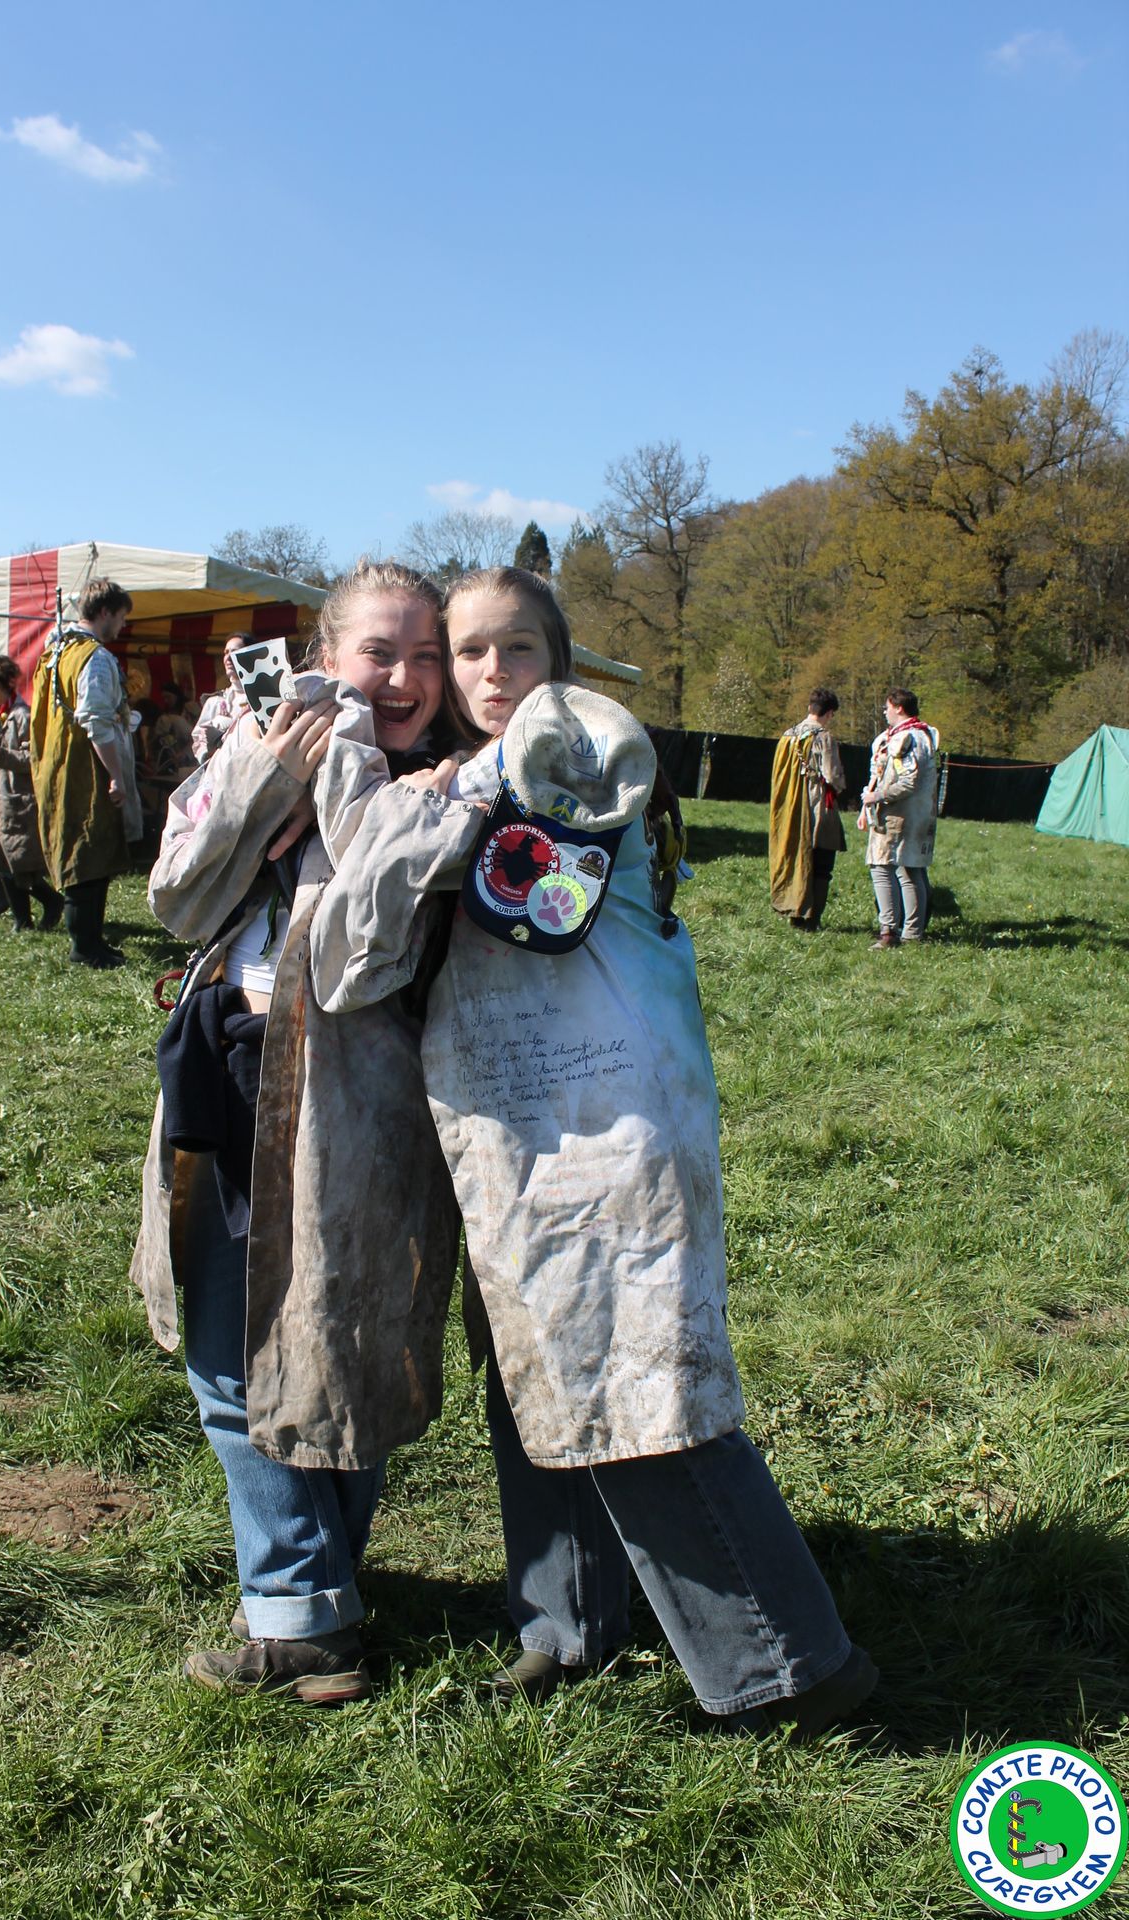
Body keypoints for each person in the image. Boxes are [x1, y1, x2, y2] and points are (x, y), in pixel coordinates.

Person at [308, 566, 877, 1736]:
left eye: (516, 647)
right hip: (520, 1128)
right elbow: (362, 943)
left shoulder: (572, 749)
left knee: (640, 1391)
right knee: (540, 1371)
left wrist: (409, 794)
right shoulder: (476, 770)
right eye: (468, 652)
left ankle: (791, 1668)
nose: (491, 673)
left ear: (558, 661)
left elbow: (379, 927)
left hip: (603, 1120)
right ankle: (568, 1626)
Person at [130, 559, 463, 1703]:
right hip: (230, 1062)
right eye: (379, 652)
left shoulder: (454, 785)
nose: (404, 676)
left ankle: (307, 1604)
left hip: (364, 1096)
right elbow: (177, 896)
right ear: (325, 657)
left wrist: (401, 807)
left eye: (426, 655)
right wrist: (265, 774)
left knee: (343, 1347)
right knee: (227, 1344)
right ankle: (309, 1594)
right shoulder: (253, 744)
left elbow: (368, 954)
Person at [30, 578, 143, 968]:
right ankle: (84, 947)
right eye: (121, 617)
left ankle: (92, 939)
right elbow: (94, 720)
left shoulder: (56, 650)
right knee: (87, 853)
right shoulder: (92, 657)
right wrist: (116, 775)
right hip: (84, 765)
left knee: (90, 851)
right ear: (105, 612)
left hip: (60, 761)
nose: (122, 626)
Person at [0, 657, 65, 932]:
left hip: (18, 799)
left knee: (17, 861)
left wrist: (2, 756)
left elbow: (34, 758)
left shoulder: (22, 716)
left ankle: (50, 902)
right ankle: (22, 919)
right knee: (0, 859)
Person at [858, 687, 940, 948]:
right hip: (917, 814)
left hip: (898, 815)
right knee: (910, 869)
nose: (885, 712)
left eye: (887, 707)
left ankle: (889, 932)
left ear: (899, 708)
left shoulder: (908, 738)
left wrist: (877, 796)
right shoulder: (922, 735)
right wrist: (865, 808)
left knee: (882, 867)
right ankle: (912, 933)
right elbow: (879, 774)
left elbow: (907, 782)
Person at [769, 688, 847, 931]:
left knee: (796, 860)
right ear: (830, 713)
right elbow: (832, 775)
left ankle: (794, 912)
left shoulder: (787, 735)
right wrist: (841, 786)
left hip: (790, 809)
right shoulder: (823, 737)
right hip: (816, 807)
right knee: (821, 865)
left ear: (810, 707)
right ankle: (811, 919)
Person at [192, 634, 250, 764]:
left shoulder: (262, 699)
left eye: (234, 651)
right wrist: (206, 755)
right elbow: (198, 737)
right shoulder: (215, 703)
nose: (228, 657)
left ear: (250, 655)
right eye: (226, 652)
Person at [150, 683, 197, 781]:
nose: (166, 700)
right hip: (177, 750)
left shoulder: (189, 707)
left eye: (168, 697)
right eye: (164, 698)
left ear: (176, 695)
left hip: (193, 744)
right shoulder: (167, 713)